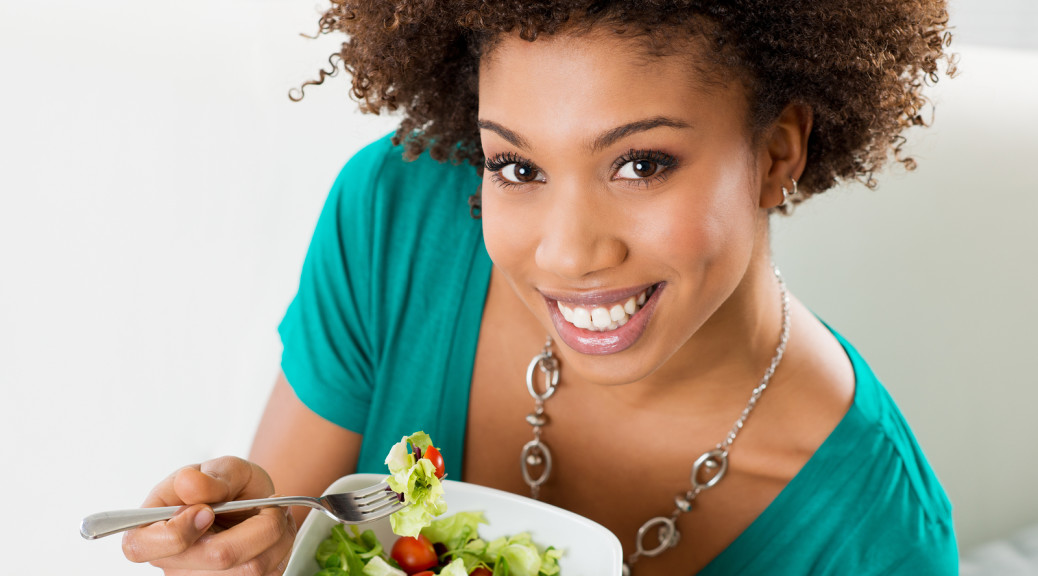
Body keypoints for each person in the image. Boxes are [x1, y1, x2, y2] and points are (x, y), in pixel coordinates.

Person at [119, 1, 958, 574]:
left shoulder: (877, 538)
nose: (566, 254)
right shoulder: (402, 216)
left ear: (776, 155)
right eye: (517, 167)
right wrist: (242, 550)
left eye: (640, 164)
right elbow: (290, 537)